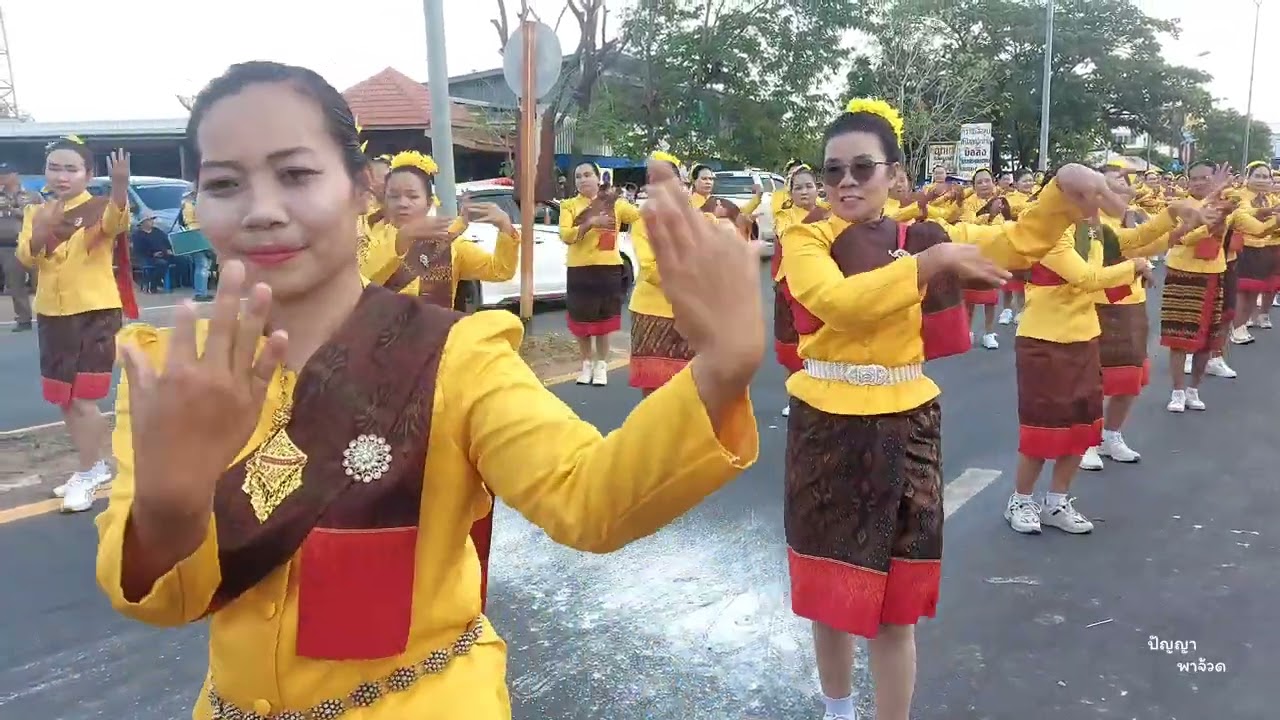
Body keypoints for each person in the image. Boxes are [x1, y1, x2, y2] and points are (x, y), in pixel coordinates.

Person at [94, 61, 761, 720]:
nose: (262, 210)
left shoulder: (455, 355)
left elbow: (591, 498)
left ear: (361, 189)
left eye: (296, 174)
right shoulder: (168, 371)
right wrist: (170, 512)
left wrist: (723, 365)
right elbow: (166, 601)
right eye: (225, 183)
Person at [781, 97, 1130, 720]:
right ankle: (836, 711)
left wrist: (1059, 190)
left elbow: (1014, 242)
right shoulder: (805, 236)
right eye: (833, 170)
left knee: (896, 606)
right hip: (826, 425)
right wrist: (931, 264)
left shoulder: (921, 237)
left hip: (907, 423)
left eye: (863, 168)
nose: (845, 183)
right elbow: (838, 302)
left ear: (893, 175)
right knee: (830, 592)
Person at [18, 136, 138, 513]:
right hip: (52, 313)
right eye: (55, 167)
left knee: (84, 399)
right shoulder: (35, 212)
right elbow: (27, 257)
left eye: (71, 168)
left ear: (88, 174)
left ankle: (91, 470)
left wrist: (120, 186)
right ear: (45, 173)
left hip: (94, 312)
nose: (62, 175)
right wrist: (42, 228)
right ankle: (93, 466)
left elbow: (117, 223)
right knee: (64, 399)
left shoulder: (99, 207)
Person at [558, 161, 642, 386]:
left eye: (587, 175)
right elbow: (566, 235)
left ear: (598, 179)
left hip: (608, 269)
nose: (583, 179)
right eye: (578, 176)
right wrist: (591, 222)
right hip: (579, 269)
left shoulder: (614, 204)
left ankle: (601, 365)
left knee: (603, 322)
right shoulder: (569, 206)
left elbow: (639, 216)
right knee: (582, 322)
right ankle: (585, 364)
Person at [0, 161, 41, 331]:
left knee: (40, 282)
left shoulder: (32, 195)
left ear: (15, 175)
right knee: (15, 284)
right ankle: (23, 319)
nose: (2, 177)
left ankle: (48, 317)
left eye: (5, 174)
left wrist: (15, 212)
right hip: (8, 246)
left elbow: (43, 216)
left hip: (33, 244)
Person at [179, 190, 215, 302]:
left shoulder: (186, 205)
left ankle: (201, 291)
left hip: (194, 234)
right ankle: (200, 293)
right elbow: (198, 219)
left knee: (202, 264)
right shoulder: (190, 205)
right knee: (202, 264)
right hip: (196, 235)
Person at [132, 213, 176, 292]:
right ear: (143, 222)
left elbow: (166, 242)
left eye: (152, 219)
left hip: (164, 254)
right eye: (149, 220)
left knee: (182, 260)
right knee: (161, 264)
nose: (152, 221)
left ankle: (176, 284)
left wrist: (169, 250)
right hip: (147, 257)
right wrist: (152, 254)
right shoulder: (137, 235)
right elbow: (139, 249)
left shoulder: (157, 231)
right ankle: (152, 285)